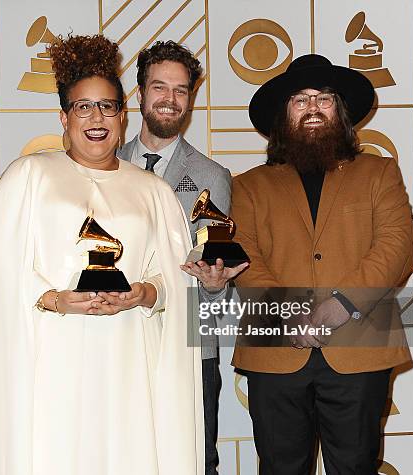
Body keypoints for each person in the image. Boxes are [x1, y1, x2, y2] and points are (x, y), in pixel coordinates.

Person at [0, 35, 204, 475]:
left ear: (122, 113)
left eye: (108, 106)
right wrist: (55, 298)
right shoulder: (28, 177)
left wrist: (145, 292)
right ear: (64, 116)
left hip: (129, 365)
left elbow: (174, 279)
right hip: (54, 363)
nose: (97, 118)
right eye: (83, 107)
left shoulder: (154, 191)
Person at [231, 54, 413, 474]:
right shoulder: (247, 186)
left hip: (361, 344)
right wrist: (293, 313)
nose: (312, 107)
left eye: (324, 98)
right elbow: (244, 255)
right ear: (283, 115)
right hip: (276, 345)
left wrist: (339, 305)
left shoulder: (379, 173)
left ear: (341, 111)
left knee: (355, 466)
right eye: (300, 100)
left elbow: (397, 244)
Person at [118, 40, 247, 475]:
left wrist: (216, 285)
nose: (169, 100)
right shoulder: (104, 162)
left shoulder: (213, 176)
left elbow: (217, 282)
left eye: (181, 90)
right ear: (139, 93)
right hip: (118, 342)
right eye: (159, 87)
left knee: (193, 460)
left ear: (190, 98)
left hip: (189, 349)